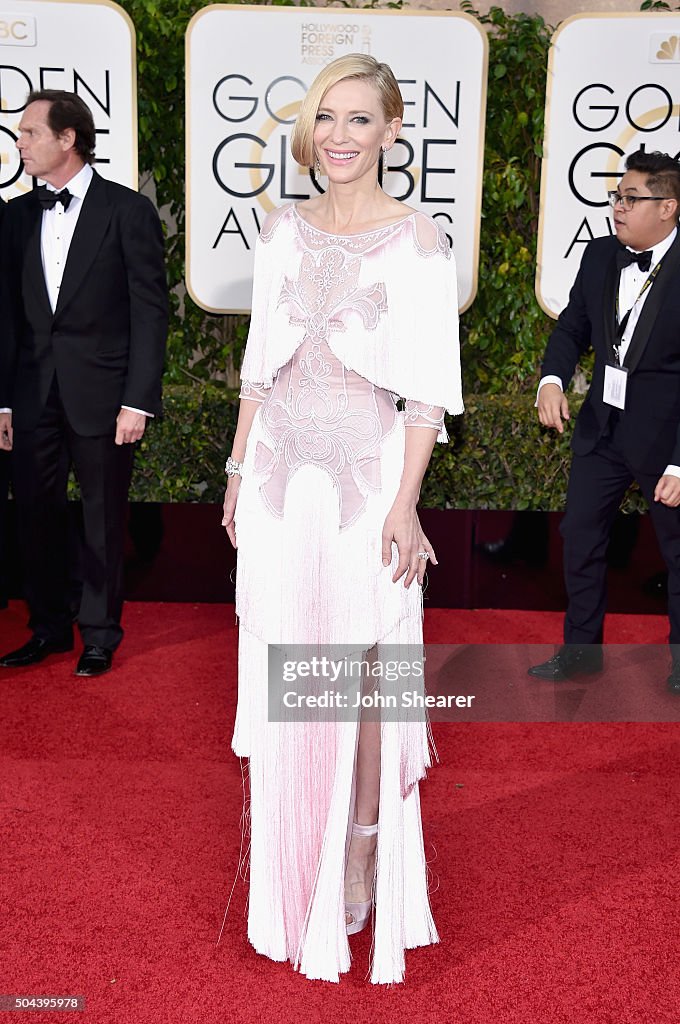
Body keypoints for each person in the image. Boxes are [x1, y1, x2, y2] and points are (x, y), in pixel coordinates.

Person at [221, 55, 463, 984]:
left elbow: (427, 396)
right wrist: (239, 468)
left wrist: (406, 504)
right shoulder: (281, 230)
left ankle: (360, 848)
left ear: (394, 131)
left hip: (365, 485)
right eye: (327, 118)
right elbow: (258, 366)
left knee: (363, 680)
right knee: (288, 671)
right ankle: (293, 869)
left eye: (359, 120)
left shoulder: (418, 242)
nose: (340, 136)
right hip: (283, 484)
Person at [0, 90, 167, 676]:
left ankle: (99, 632)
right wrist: (3, 400)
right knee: (35, 515)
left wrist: (137, 399)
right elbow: (7, 315)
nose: (18, 142)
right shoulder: (16, 216)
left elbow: (150, 311)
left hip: (103, 395)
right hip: (30, 395)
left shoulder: (126, 211)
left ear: (67, 139)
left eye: (29, 133)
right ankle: (48, 626)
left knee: (101, 518)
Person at [528, 150, 680, 693]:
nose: (618, 207)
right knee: (581, 538)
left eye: (631, 198)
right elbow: (571, 327)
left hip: (666, 441)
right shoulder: (599, 257)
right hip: (602, 429)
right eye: (616, 197)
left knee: (677, 552)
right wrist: (551, 380)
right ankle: (581, 651)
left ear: (668, 207)